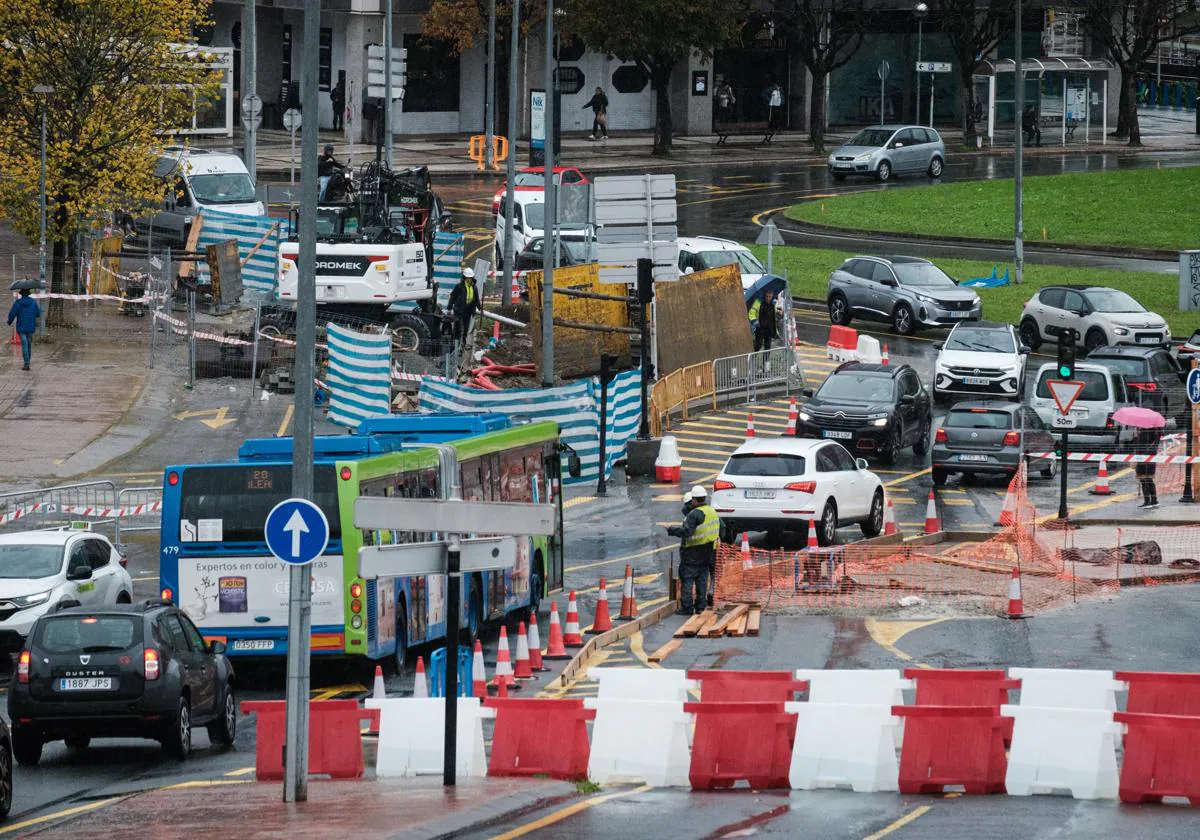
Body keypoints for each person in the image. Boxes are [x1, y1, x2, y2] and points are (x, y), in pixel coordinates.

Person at [666, 486, 720, 614]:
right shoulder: (711, 511)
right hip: (707, 552)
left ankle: (687, 607)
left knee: (687, 578)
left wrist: (671, 530)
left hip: (692, 552)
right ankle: (701, 606)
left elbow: (687, 532)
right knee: (702, 579)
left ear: (694, 500)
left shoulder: (694, 514)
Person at [7, 287, 40, 371]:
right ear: (29, 293)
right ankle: (28, 362)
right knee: (29, 345)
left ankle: (26, 364)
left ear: (21, 294)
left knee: (24, 345)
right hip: (30, 327)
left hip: (21, 327)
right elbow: (38, 314)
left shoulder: (18, 303)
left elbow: (12, 314)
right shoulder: (33, 302)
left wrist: (9, 322)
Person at [448, 267, 480, 345]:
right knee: (458, 329)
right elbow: (453, 296)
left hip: (468, 311)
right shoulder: (459, 286)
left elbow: (476, 298)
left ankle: (463, 344)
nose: (469, 279)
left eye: (470, 278)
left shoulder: (474, 287)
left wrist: (479, 308)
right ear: (464, 277)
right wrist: (449, 307)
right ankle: (455, 345)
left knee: (465, 329)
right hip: (459, 311)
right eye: (467, 278)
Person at [1135, 426, 1162, 508]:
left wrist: (1137, 438)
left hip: (1144, 458)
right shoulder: (1155, 432)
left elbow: (1140, 446)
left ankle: (1147, 501)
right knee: (1148, 479)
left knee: (1145, 479)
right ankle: (1154, 500)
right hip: (1149, 458)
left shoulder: (1145, 433)